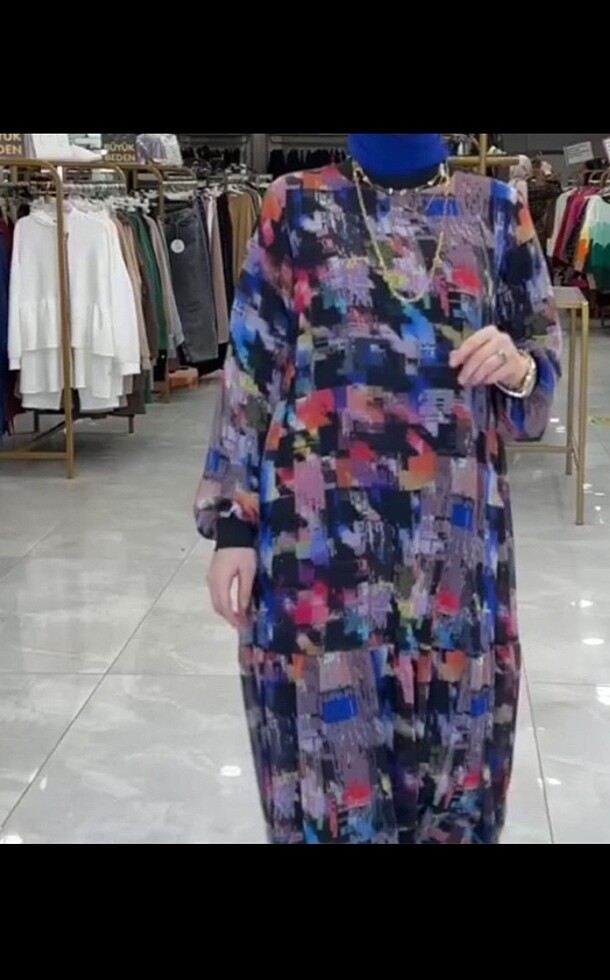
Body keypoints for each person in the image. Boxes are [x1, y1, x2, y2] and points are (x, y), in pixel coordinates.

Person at [195, 133, 562, 845]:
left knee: (453, 766)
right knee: (331, 770)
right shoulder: (294, 205)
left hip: (452, 551)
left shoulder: (497, 210)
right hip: (318, 550)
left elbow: (539, 374)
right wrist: (234, 527)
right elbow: (250, 371)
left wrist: (518, 366)